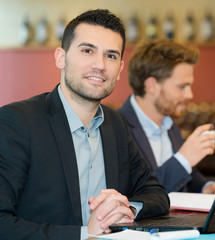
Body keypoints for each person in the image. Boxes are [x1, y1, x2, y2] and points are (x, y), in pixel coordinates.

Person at [0, 9, 169, 240]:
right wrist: (85, 234)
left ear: (120, 69)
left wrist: (126, 210)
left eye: (110, 56)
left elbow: (156, 194)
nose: (99, 65)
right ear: (61, 57)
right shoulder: (16, 122)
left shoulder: (116, 124)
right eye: (88, 51)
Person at [117, 39, 215, 194]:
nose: (190, 94)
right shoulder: (117, 129)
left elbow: (185, 175)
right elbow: (142, 191)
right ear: (151, 85)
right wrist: (184, 159)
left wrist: (206, 187)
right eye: (181, 86)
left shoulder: (169, 125)